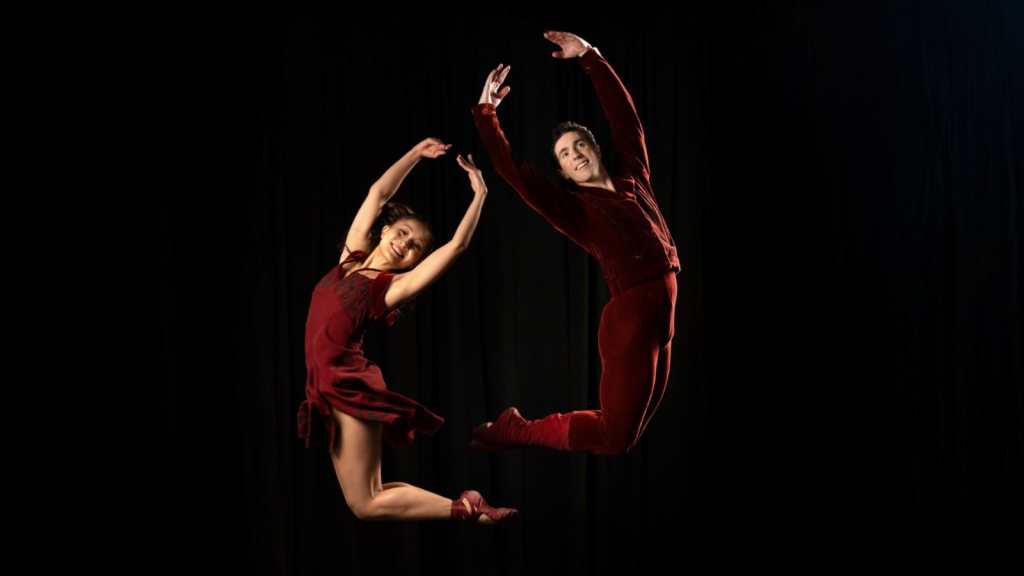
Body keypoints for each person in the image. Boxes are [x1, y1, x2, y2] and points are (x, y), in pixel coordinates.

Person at [469, 30, 680, 456]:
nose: (574, 154)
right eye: (564, 154)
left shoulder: (633, 176)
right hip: (630, 321)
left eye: (579, 144)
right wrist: (487, 114)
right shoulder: (575, 208)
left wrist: (590, 56)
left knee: (629, 436)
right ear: (564, 172)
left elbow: (625, 116)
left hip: (664, 317)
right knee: (613, 437)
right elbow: (514, 171)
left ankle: (518, 430)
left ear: (595, 148)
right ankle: (517, 429)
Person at [297, 137, 517, 523]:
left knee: (365, 504)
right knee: (368, 498)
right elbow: (378, 193)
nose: (405, 244)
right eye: (402, 233)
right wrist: (416, 154)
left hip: (348, 386)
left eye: (415, 246)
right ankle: (467, 505)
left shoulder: (389, 290)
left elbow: (457, 247)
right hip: (324, 385)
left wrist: (480, 194)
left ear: (414, 261)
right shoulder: (351, 257)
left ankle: (466, 509)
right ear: (384, 231)